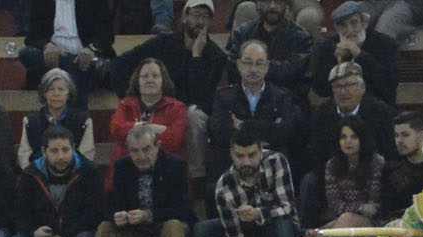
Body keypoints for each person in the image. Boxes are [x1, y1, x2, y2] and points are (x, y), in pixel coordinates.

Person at [110, 0, 228, 182]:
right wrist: (130, 97)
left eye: (205, 17)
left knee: (193, 114)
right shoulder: (164, 43)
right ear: (184, 16)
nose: (200, 22)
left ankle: (196, 178)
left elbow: (199, 96)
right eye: (196, 15)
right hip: (157, 108)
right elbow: (122, 64)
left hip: (184, 114)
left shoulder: (216, 56)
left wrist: (196, 56)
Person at [12, 124, 103, 237]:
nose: (61, 156)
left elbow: (94, 214)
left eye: (66, 150)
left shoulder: (89, 172)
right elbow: (19, 214)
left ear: (74, 149)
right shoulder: (29, 175)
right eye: (54, 151)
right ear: (44, 151)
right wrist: (34, 232)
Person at [307, 114, 384, 237]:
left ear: (362, 139)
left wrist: (352, 212)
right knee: (345, 222)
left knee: (346, 219)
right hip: (344, 221)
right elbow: (334, 204)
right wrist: (360, 208)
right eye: (343, 137)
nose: (348, 142)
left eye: (353, 137)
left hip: (374, 223)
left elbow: (375, 204)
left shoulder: (376, 162)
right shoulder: (332, 165)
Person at [307, 61, 395, 177]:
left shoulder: (380, 112)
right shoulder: (321, 114)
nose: (343, 92)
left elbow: (388, 151)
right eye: (337, 86)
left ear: (362, 87)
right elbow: (316, 154)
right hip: (332, 174)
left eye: (349, 85)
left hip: (373, 173)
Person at [19, 0, 115, 104]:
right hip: (53, 62)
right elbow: (32, 36)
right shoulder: (42, 2)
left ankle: (75, 68)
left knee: (77, 78)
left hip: (86, 58)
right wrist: (47, 46)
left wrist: (91, 49)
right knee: (26, 54)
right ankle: (77, 65)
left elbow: (107, 34)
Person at [309, 2, 399, 105]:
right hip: (341, 107)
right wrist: (335, 61)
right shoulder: (328, 47)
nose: (349, 30)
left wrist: (360, 55)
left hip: (377, 105)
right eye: (343, 25)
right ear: (336, 28)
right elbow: (320, 90)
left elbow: (388, 85)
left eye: (354, 23)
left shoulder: (385, 44)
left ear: (364, 23)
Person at [225, 0, 314, 103]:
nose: (272, 6)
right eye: (267, 1)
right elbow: (233, 70)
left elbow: (297, 78)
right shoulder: (242, 33)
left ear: (286, 5)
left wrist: (253, 66)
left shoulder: (301, 38)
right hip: (247, 102)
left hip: (287, 104)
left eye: (277, 2)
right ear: (258, 3)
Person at [110, 58, 188, 169]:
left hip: (164, 169)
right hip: (128, 168)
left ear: (163, 80)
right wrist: (153, 128)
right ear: (138, 81)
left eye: (155, 76)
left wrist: (135, 131)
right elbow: (117, 130)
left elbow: (174, 141)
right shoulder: (125, 105)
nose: (150, 80)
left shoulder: (177, 108)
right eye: (145, 76)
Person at [16, 68, 95, 169]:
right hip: (39, 177)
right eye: (51, 89)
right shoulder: (30, 121)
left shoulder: (84, 120)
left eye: (61, 89)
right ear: (44, 93)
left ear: (69, 93)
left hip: (74, 178)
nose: (56, 94)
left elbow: (86, 156)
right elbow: (24, 156)